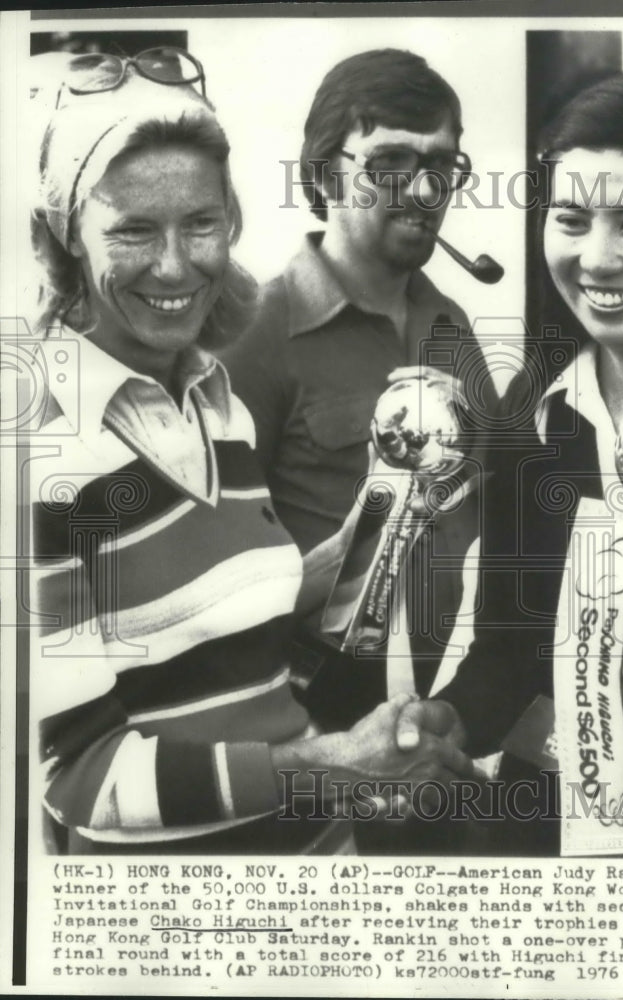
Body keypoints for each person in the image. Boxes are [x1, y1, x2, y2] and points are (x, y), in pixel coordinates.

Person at [29, 48, 477, 854]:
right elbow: (75, 777)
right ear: (61, 240)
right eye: (133, 228)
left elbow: (236, 623)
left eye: (201, 223)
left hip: (319, 860)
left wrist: (364, 545)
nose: (176, 265)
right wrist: (334, 764)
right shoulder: (36, 446)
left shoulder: (211, 397)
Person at [398, 74, 623, 857]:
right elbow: (508, 650)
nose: (596, 259)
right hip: (544, 842)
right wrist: (449, 720)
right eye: (570, 220)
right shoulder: (527, 413)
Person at [223, 48, 493, 702]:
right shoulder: (253, 331)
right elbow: (211, 580)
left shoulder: (454, 329)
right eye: (392, 163)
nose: (427, 193)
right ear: (325, 172)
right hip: (304, 704)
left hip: (439, 699)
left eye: (441, 165)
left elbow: (495, 522)